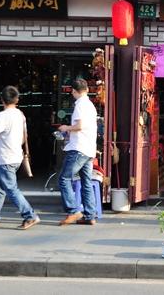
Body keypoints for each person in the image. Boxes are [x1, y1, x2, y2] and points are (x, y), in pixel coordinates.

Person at [0, 86, 40, 230]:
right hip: (16, 156)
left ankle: (30, 215)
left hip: (6, 158)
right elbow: (24, 137)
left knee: (11, 189)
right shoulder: (20, 115)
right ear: (17, 99)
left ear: (2, 100)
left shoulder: (3, 116)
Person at [58, 78, 99, 225]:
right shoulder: (90, 105)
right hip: (89, 149)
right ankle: (90, 215)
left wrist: (66, 128)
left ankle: (73, 211)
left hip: (79, 148)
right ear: (87, 89)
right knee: (86, 182)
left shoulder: (80, 105)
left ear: (74, 91)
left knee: (64, 178)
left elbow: (79, 126)